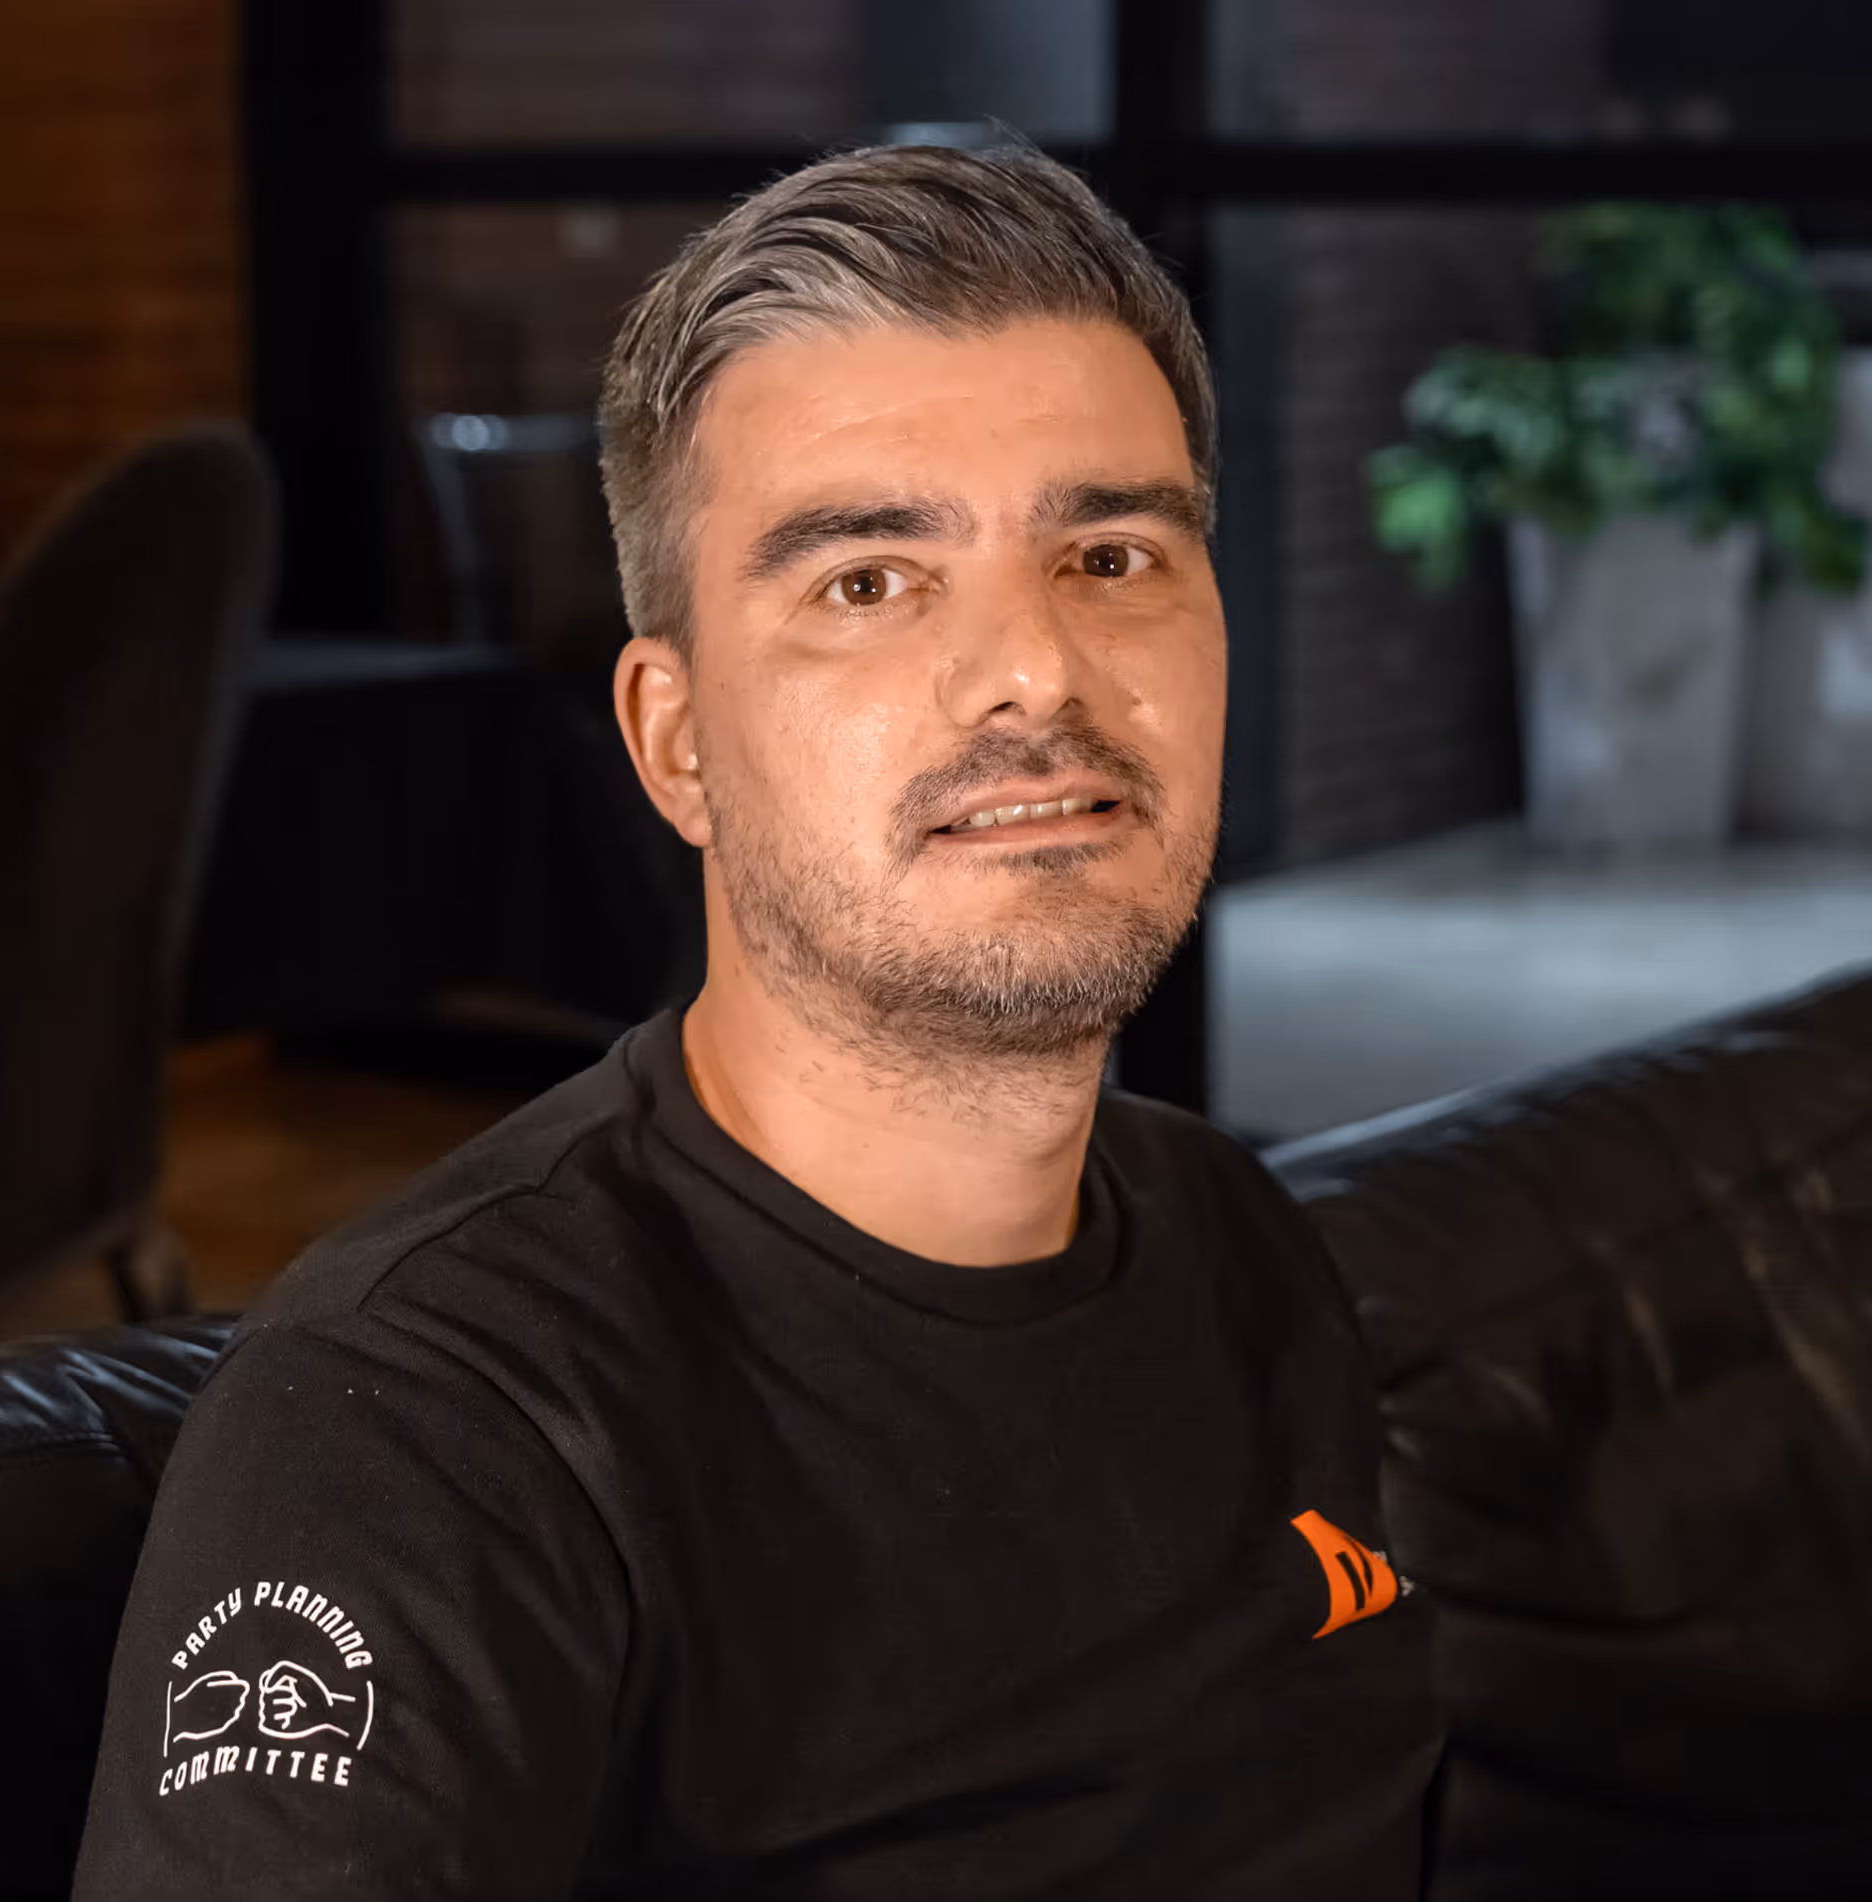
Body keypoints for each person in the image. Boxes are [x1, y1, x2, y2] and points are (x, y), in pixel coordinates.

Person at [74, 141, 1440, 1899]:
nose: (1034, 668)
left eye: (1109, 554)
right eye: (866, 580)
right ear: (676, 742)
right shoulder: (425, 1429)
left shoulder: (1249, 1251)